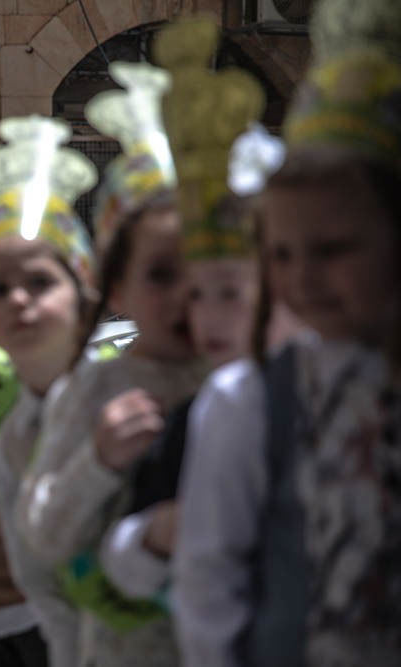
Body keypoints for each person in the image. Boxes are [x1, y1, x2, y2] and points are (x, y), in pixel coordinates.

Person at [173, 2, 401, 664]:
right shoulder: (249, 403)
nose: (303, 277)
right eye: (281, 253)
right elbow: (208, 585)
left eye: (333, 249)